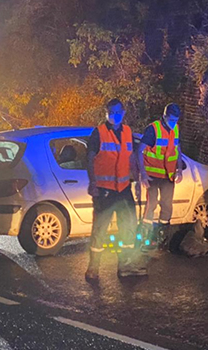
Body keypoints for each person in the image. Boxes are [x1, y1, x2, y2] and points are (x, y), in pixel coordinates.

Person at [85, 98, 143, 282]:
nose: (114, 115)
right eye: (111, 112)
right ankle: (93, 268)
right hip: (105, 190)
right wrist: (92, 183)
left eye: (117, 112)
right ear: (106, 113)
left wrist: (138, 180)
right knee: (100, 229)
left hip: (124, 189)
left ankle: (125, 265)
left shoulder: (127, 132)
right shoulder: (99, 133)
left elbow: (131, 157)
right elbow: (90, 159)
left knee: (128, 228)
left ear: (123, 112)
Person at [137, 103, 183, 250]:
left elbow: (177, 149)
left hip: (168, 175)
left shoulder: (175, 129)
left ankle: (162, 237)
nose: (173, 123)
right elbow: (140, 151)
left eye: (176, 120)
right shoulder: (153, 129)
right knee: (151, 204)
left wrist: (180, 169)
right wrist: (143, 174)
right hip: (152, 175)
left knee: (167, 205)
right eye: (171, 120)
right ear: (164, 116)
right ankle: (146, 237)